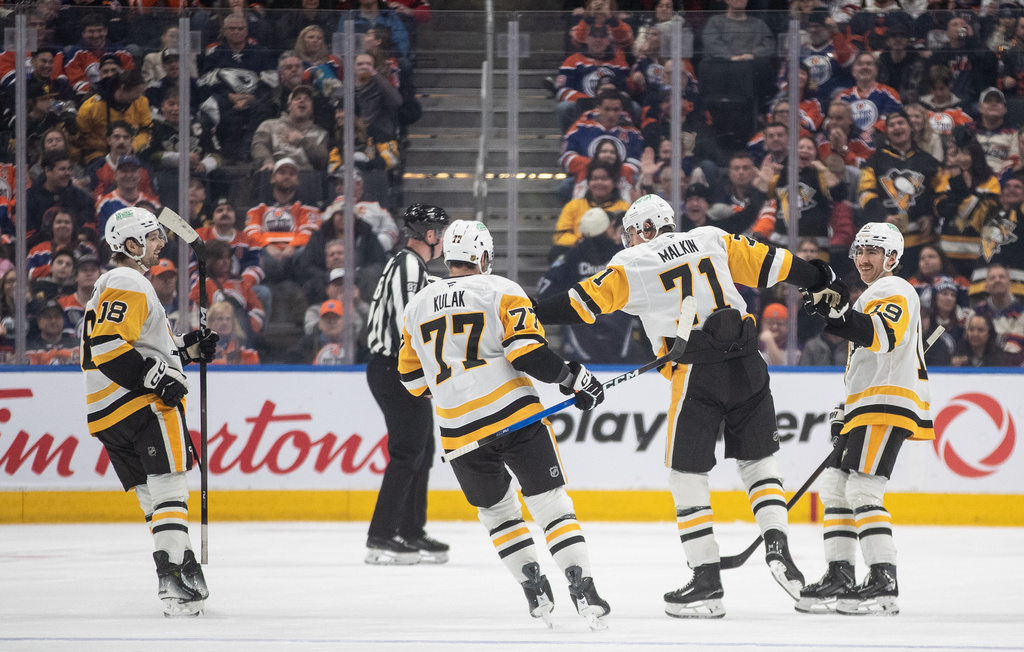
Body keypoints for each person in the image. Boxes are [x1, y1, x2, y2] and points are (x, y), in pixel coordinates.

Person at [535, 194, 846, 618]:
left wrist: (529, 312)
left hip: (698, 371)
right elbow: (774, 262)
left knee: (687, 476)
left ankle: (706, 581)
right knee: (759, 465)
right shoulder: (711, 237)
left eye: (631, 232)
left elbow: (578, 304)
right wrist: (818, 274)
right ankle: (777, 547)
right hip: (749, 362)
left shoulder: (634, 262)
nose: (629, 240)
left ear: (645, 230)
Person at [398, 219, 611, 628]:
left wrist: (455, 393)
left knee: (498, 514)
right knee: (550, 505)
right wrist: (574, 378)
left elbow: (410, 381)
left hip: (460, 434)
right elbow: (528, 354)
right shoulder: (501, 290)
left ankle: (533, 586)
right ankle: (581, 583)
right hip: (515, 419)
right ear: (481, 257)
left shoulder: (417, 305)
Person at [81, 206, 218, 616]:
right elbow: (108, 345)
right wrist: (157, 379)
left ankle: (185, 565)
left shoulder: (112, 284)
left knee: (154, 499)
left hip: (107, 412)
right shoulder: (129, 281)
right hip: (142, 405)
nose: (162, 242)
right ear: (131, 245)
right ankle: (172, 579)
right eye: (153, 236)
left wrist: (190, 348)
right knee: (171, 489)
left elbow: (144, 345)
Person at [798, 222, 932, 616]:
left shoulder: (896, 289)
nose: (864, 258)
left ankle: (882, 581)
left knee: (863, 491)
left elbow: (882, 336)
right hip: (868, 403)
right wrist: (848, 408)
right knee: (837, 486)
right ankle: (840, 573)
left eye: (874, 251)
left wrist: (838, 312)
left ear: (893, 258)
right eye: (860, 250)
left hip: (887, 402)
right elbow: (867, 355)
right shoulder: (871, 295)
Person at [364, 204, 450, 565]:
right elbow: (407, 326)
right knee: (407, 452)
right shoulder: (408, 266)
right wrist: (419, 374)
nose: (444, 240)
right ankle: (382, 536)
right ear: (429, 235)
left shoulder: (412, 266)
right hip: (394, 370)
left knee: (421, 450)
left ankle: (411, 530)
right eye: (441, 233)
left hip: (397, 369)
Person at [858, 110, 946, 275]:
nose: (897, 127)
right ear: (887, 132)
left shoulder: (928, 161)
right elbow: (865, 194)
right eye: (891, 125)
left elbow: (942, 195)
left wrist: (931, 217)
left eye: (901, 123)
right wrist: (883, 216)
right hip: (886, 244)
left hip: (923, 242)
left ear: (910, 128)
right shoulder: (874, 161)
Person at [207, 300, 260, 365]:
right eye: (220, 319)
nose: (224, 323)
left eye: (228, 319)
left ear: (233, 322)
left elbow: (255, 365)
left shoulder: (242, 345)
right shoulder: (201, 346)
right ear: (210, 322)